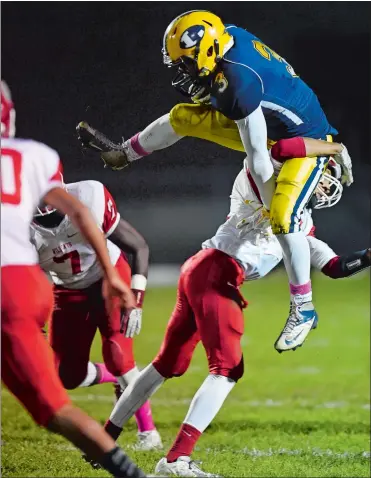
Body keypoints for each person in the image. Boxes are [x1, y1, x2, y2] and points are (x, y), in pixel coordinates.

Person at [77, 10, 354, 354]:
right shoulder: (227, 41)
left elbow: (257, 157)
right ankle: (125, 153)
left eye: (186, 63)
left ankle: (304, 306)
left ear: (207, 50)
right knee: (183, 116)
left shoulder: (238, 82)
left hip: (305, 142)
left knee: (283, 217)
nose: (183, 72)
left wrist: (269, 209)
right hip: (273, 131)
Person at [87, 143, 369, 477]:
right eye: (324, 177)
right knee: (227, 369)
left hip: (203, 271)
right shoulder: (267, 180)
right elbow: (278, 148)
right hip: (216, 272)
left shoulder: (300, 224)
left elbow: (335, 266)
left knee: (165, 365)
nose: (325, 186)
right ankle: (176, 460)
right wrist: (332, 147)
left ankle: (104, 441)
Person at [0, 80, 146, 478]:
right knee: (57, 395)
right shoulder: (34, 156)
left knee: (97, 370)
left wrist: (122, 279)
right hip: (33, 286)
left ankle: (142, 432)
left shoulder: (88, 192)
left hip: (27, 285)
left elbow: (91, 218)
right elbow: (79, 213)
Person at [31, 178, 162, 451]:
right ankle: (115, 379)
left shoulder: (89, 196)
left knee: (119, 355)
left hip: (109, 278)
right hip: (66, 290)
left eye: (55, 210)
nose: (50, 218)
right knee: (65, 376)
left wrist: (137, 300)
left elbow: (139, 247)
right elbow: (25, 284)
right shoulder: (15, 227)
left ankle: (148, 433)